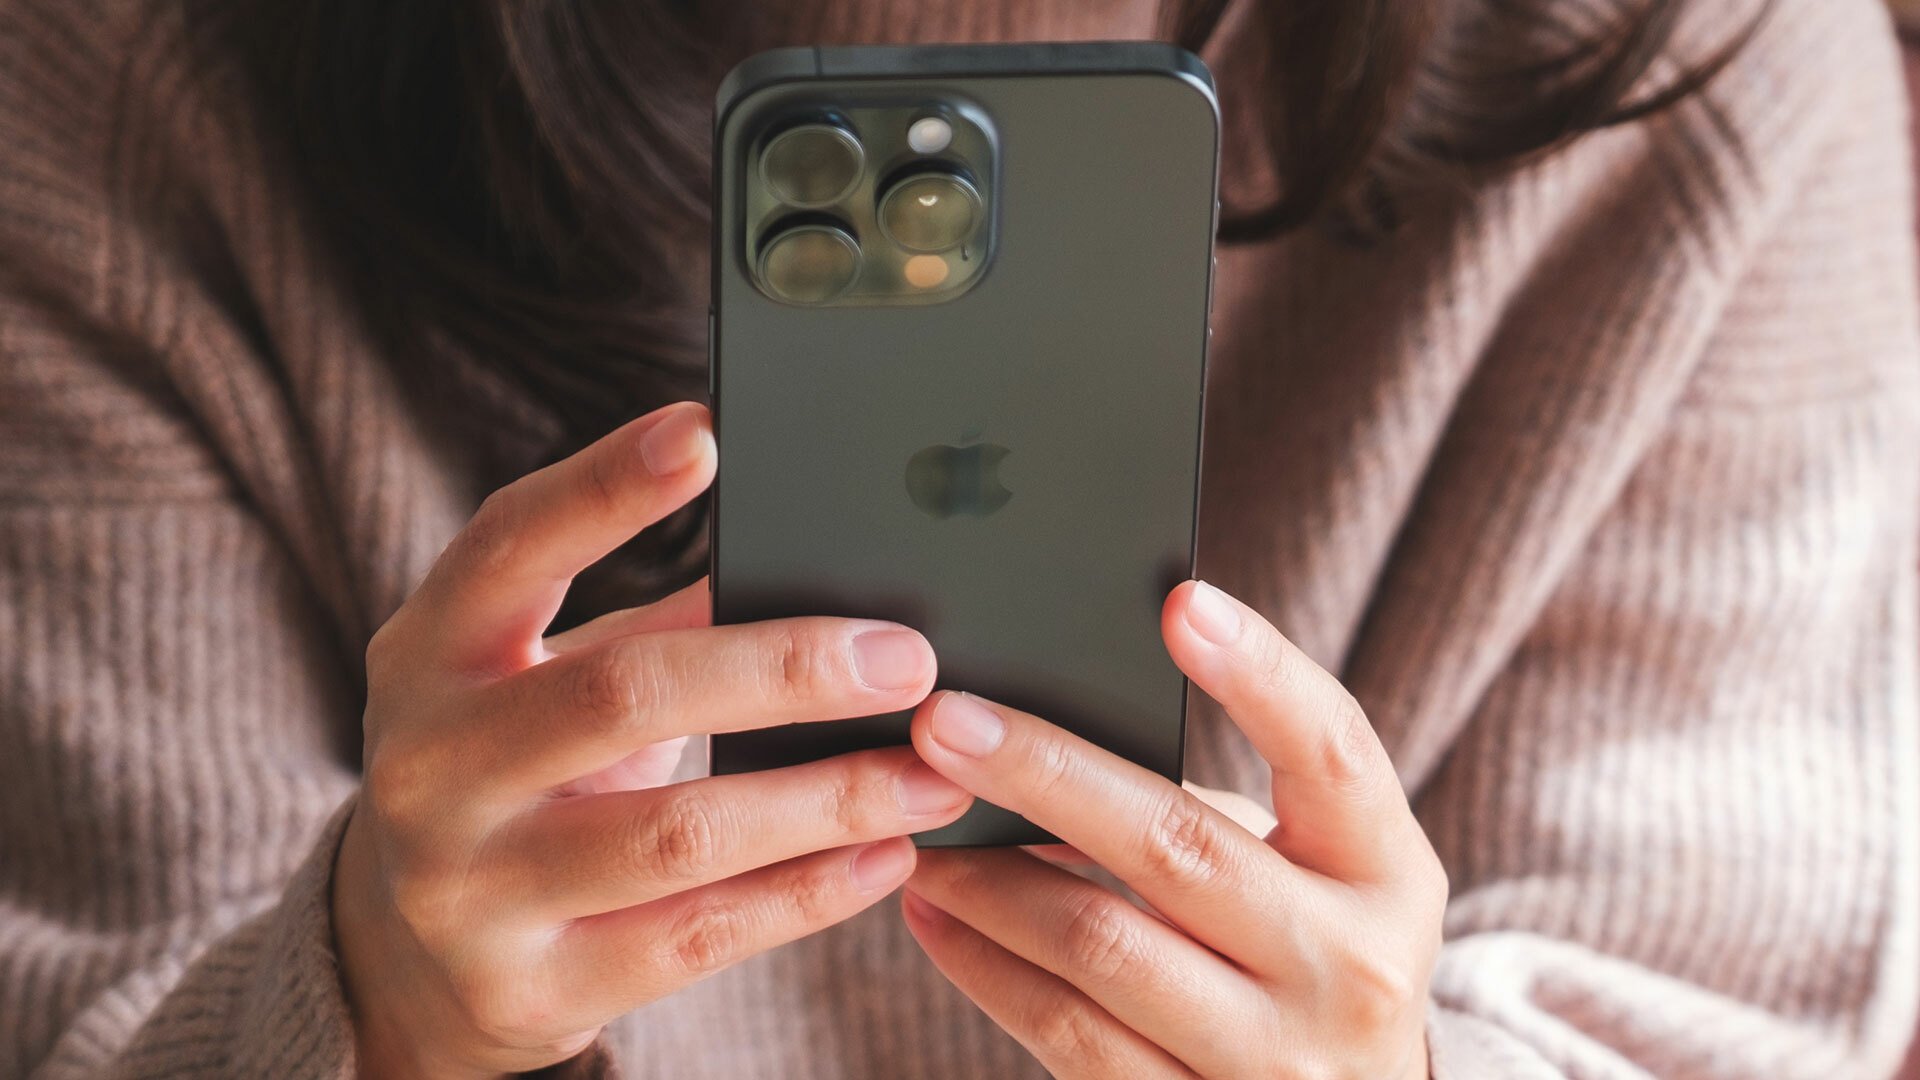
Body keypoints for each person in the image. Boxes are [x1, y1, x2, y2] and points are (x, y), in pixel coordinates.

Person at [2, 0, 1916, 1077]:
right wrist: (359, 1015)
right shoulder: (124, 78)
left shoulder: (1714, 71)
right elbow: (83, 1006)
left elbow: (1730, 1013)